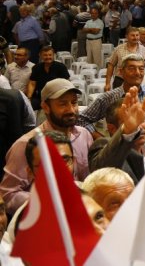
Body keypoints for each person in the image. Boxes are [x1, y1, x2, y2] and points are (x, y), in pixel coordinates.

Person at [0, 79, 93, 214]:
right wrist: (46, 202)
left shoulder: (84, 135)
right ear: (46, 107)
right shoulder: (25, 144)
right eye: (62, 104)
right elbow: (8, 194)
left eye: (74, 102)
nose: (71, 110)